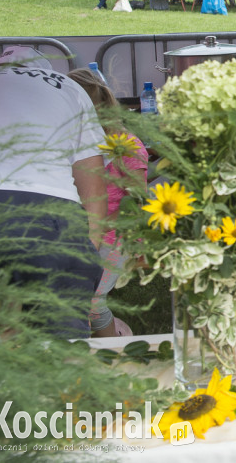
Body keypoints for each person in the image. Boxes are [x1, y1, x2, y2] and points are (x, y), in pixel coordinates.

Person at [0, 47, 106, 337]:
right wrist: (88, 251)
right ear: (47, 70)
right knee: (60, 337)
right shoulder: (68, 87)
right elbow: (94, 186)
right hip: (47, 208)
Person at [67, 68, 148, 338]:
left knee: (91, 303)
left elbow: (137, 204)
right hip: (82, 233)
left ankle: (112, 359)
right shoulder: (72, 143)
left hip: (117, 236)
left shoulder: (125, 146)